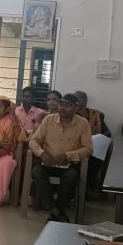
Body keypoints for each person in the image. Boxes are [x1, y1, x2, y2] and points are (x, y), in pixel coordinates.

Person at [29, 93, 93, 222]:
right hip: (48, 162)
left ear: (76, 108)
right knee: (37, 172)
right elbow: (33, 140)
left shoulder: (82, 123)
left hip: (68, 165)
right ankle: (57, 212)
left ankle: (55, 211)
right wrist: (42, 153)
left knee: (71, 177)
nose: (62, 108)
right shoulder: (49, 120)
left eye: (67, 105)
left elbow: (88, 149)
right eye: (61, 104)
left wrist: (67, 156)